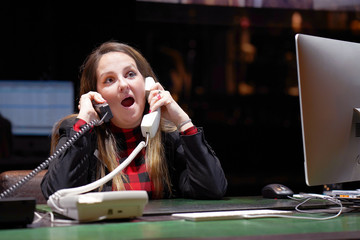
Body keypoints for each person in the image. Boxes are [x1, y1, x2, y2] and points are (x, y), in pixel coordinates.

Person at [41, 41, 227, 200]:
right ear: (95, 96)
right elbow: (57, 194)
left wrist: (184, 122)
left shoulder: (168, 138)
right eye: (109, 80)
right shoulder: (80, 134)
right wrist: (83, 125)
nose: (123, 85)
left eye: (130, 74)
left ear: (147, 84)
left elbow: (212, 189)